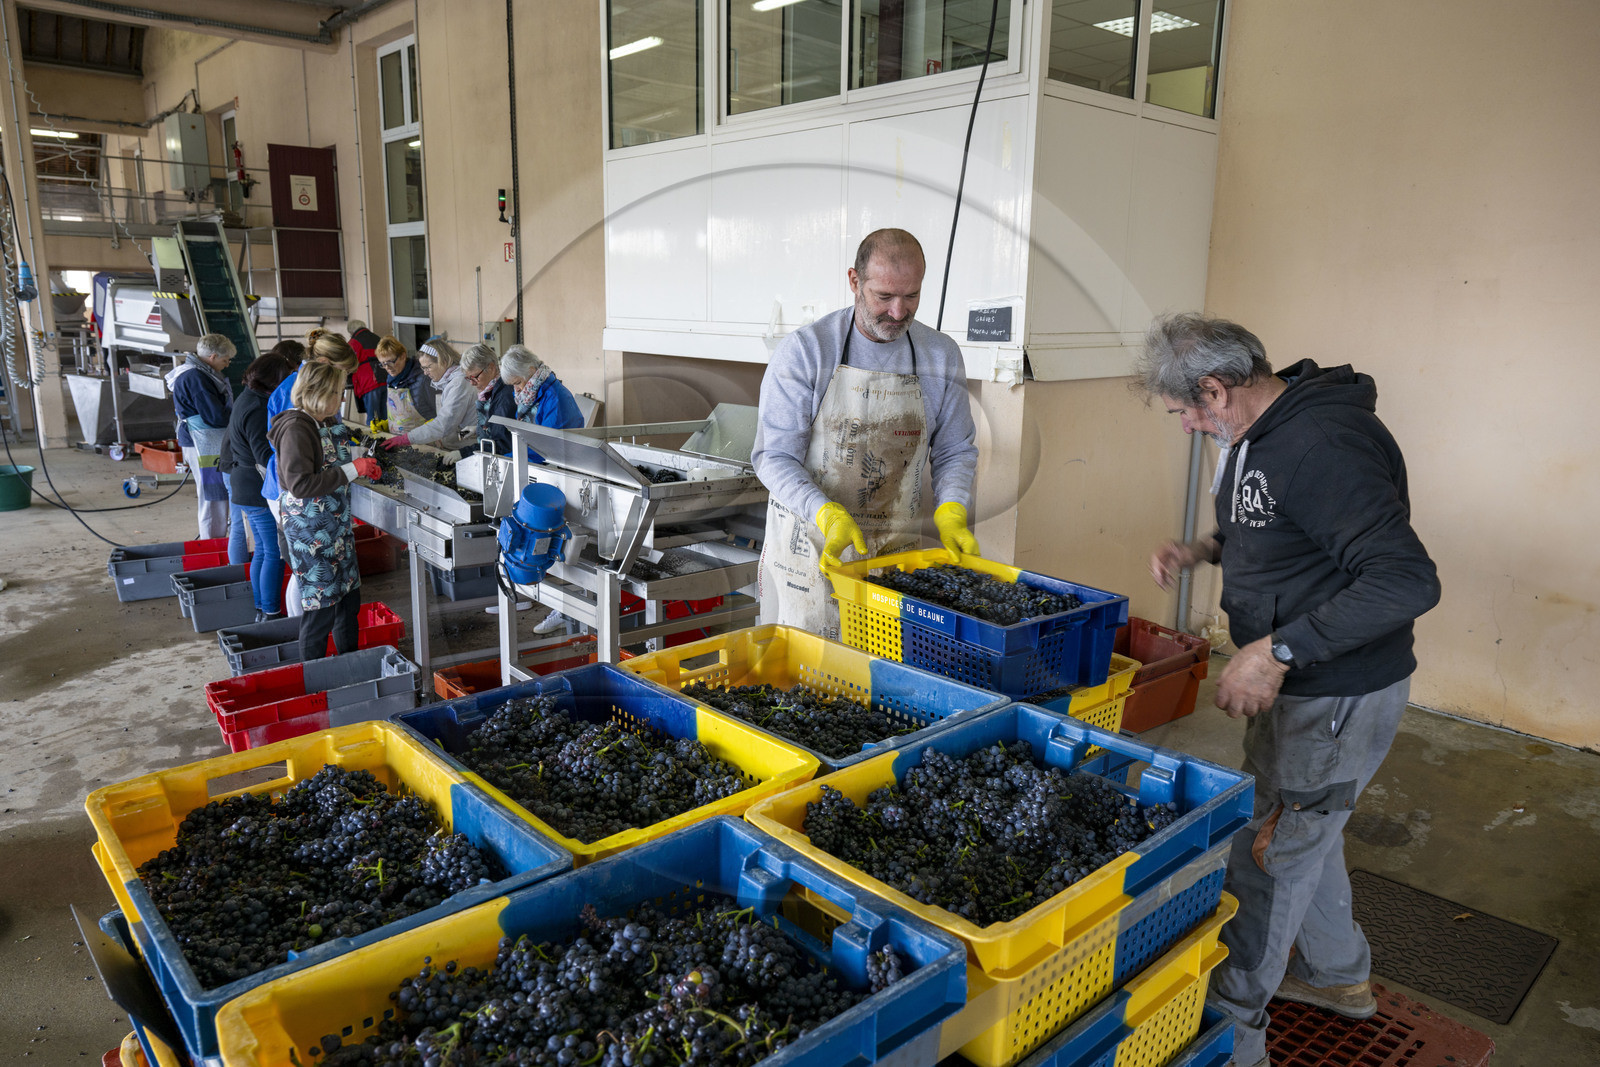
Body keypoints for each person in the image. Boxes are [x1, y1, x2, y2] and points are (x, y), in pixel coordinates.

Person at [1138, 312, 1440, 1067]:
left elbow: (1407, 579)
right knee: (1303, 829)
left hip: (1334, 694)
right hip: (1301, 690)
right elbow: (1272, 527)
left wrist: (1277, 650)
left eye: (1183, 412)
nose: (1184, 427)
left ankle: (1229, 1036)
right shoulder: (1257, 435)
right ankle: (1339, 977)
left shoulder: (1319, 446)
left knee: (1268, 856)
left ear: (1214, 389)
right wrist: (1204, 549)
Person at [751, 228, 980, 638]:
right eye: (884, 297)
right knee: (803, 684)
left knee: (877, 677)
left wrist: (953, 508)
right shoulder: (806, 352)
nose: (897, 312)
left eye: (911, 297)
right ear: (854, 281)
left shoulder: (939, 355)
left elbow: (954, 450)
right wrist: (825, 511)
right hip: (811, 550)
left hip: (892, 553)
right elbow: (773, 456)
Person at [269, 360, 383, 662]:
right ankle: (315, 679)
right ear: (319, 393)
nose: (342, 399)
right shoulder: (296, 428)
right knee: (320, 612)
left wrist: (360, 463)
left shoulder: (323, 421)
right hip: (311, 534)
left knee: (348, 602)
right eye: (337, 392)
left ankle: (349, 664)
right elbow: (301, 485)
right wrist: (351, 469)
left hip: (336, 528)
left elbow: (333, 456)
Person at [263, 330, 359, 618]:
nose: (342, 397)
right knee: (307, 578)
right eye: (340, 380)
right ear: (324, 363)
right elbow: (298, 470)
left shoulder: (318, 400)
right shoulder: (294, 408)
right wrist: (351, 468)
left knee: (333, 588)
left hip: (321, 502)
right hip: (297, 499)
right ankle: (299, 626)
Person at [496, 343, 585, 631]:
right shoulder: (536, 393)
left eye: (519, 382)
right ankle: (556, 605)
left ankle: (568, 609)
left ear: (531, 372)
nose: (517, 390)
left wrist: (508, 459)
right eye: (513, 385)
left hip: (563, 475)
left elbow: (546, 447)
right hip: (546, 474)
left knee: (564, 552)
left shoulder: (555, 398)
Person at [220, 350, 296, 621]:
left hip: (244, 484)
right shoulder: (257, 407)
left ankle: (262, 608)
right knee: (272, 551)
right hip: (254, 488)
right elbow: (263, 454)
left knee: (263, 550)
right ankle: (271, 611)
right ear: (275, 378)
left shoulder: (248, 397)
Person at [165, 333, 236, 540]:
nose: (227, 364)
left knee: (215, 494)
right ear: (213, 357)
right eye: (225, 360)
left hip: (203, 441)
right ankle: (212, 542)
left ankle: (218, 539)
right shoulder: (196, 377)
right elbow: (214, 416)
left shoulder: (201, 373)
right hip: (201, 443)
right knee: (212, 496)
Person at [382, 339, 475, 451]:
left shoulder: (459, 383)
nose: (425, 373)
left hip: (467, 448)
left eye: (428, 367)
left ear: (443, 361)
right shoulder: (448, 381)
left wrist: (407, 438)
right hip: (454, 444)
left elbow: (444, 424)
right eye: (423, 368)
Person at [458, 344, 517, 455]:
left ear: (490, 368)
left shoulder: (505, 396)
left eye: (475, 377)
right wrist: (478, 429)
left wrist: (463, 453)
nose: (471, 383)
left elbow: (502, 444)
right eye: (468, 378)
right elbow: (497, 427)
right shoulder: (491, 391)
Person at [378, 335, 435, 435]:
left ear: (403, 356)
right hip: (397, 439)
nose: (387, 368)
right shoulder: (391, 380)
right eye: (383, 364)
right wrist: (390, 424)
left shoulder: (423, 378)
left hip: (423, 441)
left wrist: (434, 424)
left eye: (391, 362)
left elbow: (438, 411)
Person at [347, 319, 388, 425]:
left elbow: (348, 363)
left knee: (373, 417)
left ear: (351, 332)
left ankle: (374, 440)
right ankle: (388, 438)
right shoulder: (377, 338)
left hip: (369, 382)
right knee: (384, 416)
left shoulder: (354, 342)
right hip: (384, 378)